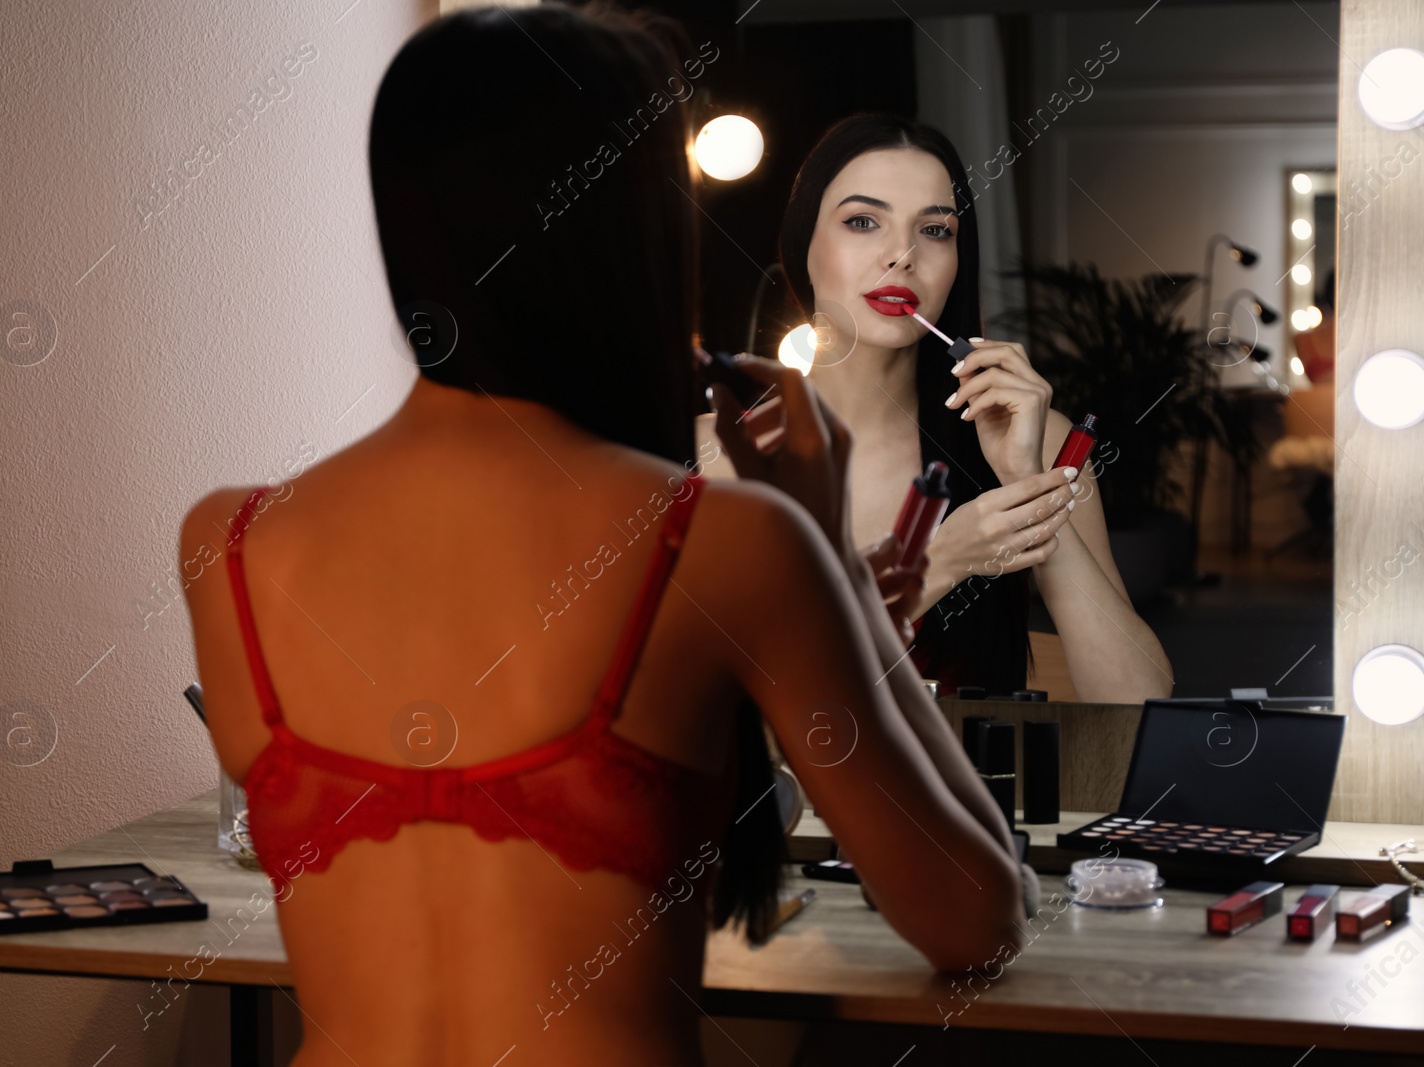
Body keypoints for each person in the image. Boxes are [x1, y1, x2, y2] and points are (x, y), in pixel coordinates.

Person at [180, 8, 1030, 1065]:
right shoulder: (730, 542)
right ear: (632, 231)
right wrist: (829, 560)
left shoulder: (228, 540)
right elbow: (974, 918)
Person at [775, 113, 1172, 704]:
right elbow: (735, 711)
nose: (901, 255)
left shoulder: (1041, 444)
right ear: (801, 248)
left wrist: (1028, 485)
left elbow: (1140, 706)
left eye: (935, 231)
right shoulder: (716, 458)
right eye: (863, 222)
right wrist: (938, 564)